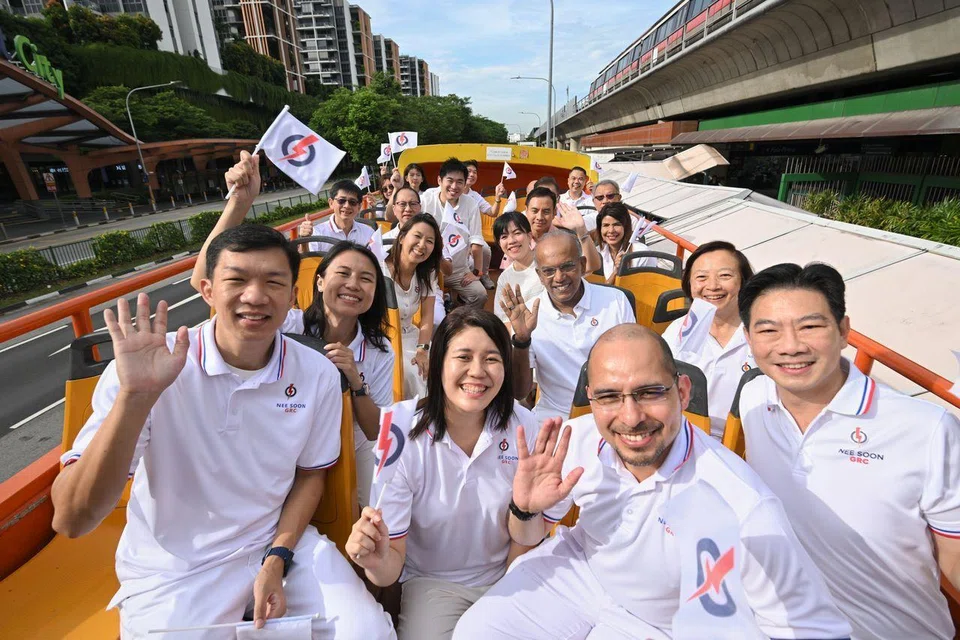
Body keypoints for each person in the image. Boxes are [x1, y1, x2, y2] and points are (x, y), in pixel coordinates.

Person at [53, 223, 395, 639]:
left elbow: (310, 476)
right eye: (236, 280)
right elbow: (72, 518)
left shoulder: (317, 374)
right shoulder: (150, 371)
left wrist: (276, 558)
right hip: (177, 569)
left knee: (369, 632)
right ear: (207, 289)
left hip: (281, 547)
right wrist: (135, 398)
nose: (255, 296)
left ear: (292, 296)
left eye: (273, 282)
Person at [454, 325, 852, 640]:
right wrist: (526, 508)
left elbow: (813, 629)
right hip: (579, 572)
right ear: (591, 399)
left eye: (648, 393)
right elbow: (529, 533)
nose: (630, 418)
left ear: (682, 391)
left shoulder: (742, 504)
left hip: (662, 621)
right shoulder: (576, 441)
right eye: (610, 397)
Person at [736, 262, 960, 640]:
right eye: (768, 330)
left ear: (843, 332)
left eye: (810, 326)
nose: (790, 346)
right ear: (748, 336)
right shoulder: (754, 398)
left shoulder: (926, 429)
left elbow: (954, 559)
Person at [346, 308, 541, 640]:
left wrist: (510, 583)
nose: (477, 372)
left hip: (510, 575)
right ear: (437, 364)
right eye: (463, 357)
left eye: (492, 359)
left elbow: (531, 532)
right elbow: (390, 564)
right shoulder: (397, 428)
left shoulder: (524, 426)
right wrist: (375, 561)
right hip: (432, 583)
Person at [502, 231, 634, 423]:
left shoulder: (615, 301)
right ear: (539, 275)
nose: (559, 277)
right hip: (556, 417)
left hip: (614, 411)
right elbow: (519, 391)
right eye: (548, 271)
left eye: (567, 266)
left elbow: (632, 364)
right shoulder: (528, 315)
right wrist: (521, 341)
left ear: (582, 264)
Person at [661, 241, 754, 439]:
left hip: (745, 445)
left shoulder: (762, 333)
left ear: (744, 281)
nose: (712, 286)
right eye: (701, 277)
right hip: (682, 437)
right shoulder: (676, 332)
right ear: (689, 284)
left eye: (725, 276)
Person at [385, 213, 443, 399]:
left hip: (410, 334)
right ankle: (419, 420)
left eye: (429, 241)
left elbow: (427, 317)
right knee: (416, 373)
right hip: (382, 338)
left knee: (445, 362)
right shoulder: (379, 269)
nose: (421, 245)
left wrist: (422, 350)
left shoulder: (427, 274)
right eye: (417, 236)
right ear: (402, 238)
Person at [420, 158, 492, 302]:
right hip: (427, 268)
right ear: (439, 180)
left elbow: (476, 242)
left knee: (480, 295)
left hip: (458, 270)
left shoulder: (471, 204)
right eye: (450, 180)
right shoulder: (426, 198)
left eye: (460, 182)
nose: (454, 186)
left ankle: (460, 318)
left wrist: (477, 272)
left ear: (465, 184)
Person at [523, 186, 601, 274]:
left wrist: (581, 230)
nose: (539, 217)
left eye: (546, 211)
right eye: (535, 211)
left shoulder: (566, 239)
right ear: (526, 210)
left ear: (555, 212)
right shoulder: (518, 238)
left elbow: (591, 266)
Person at [492, 213, 543, 330]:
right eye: (504, 237)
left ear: (529, 236)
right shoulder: (504, 278)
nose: (511, 241)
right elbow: (502, 319)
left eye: (517, 233)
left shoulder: (547, 266)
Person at [298, 179, 374, 253]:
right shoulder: (317, 233)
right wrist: (304, 241)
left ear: (359, 207)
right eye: (341, 200)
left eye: (352, 202)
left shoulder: (368, 232)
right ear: (331, 203)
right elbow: (307, 262)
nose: (347, 206)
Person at [595, 202, 655, 282]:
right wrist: (615, 272)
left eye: (617, 225)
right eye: (606, 225)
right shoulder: (597, 253)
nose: (611, 230)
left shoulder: (641, 253)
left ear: (625, 226)